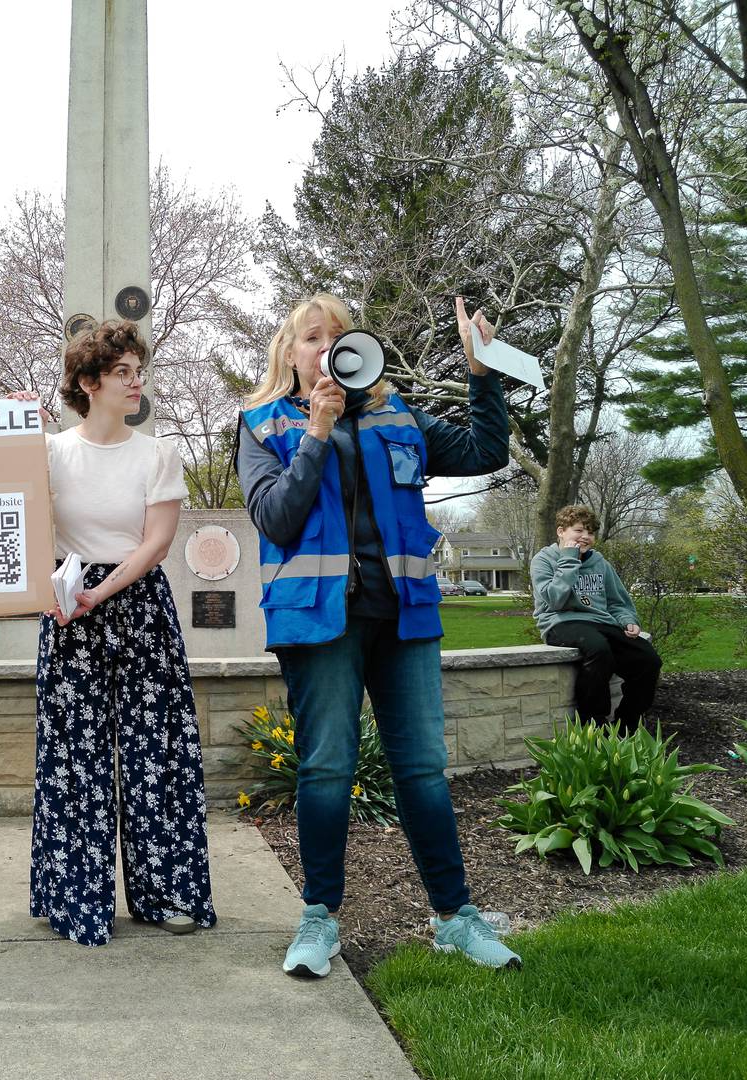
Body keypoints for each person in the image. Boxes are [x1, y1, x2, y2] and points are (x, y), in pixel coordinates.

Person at [234, 293, 521, 975]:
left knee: (422, 767)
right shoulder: (262, 424)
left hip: (405, 616)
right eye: (312, 337)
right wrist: (315, 432)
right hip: (318, 622)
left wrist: (483, 370)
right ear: (290, 354)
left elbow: (486, 448)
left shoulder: (400, 418)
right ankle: (318, 920)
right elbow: (275, 518)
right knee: (326, 768)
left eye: (340, 336)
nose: (327, 348)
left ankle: (455, 918)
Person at [20, 319, 216, 947]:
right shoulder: (50, 452)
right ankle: (73, 896)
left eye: (139, 372)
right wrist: (15, 426)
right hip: (67, 612)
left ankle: (169, 893)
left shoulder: (157, 453)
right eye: (122, 373)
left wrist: (99, 593)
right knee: (72, 759)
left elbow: (156, 543)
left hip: (137, 609)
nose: (136, 384)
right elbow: (1, 498)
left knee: (156, 753)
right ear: (87, 382)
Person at [531, 504, 662, 730]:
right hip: (560, 622)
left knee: (648, 659)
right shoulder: (544, 560)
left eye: (590, 532)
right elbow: (555, 600)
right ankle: (593, 727)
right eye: (579, 530)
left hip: (601, 623)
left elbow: (617, 601)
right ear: (561, 531)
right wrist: (570, 559)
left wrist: (627, 620)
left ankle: (626, 727)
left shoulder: (599, 562)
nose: (585, 537)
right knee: (598, 649)